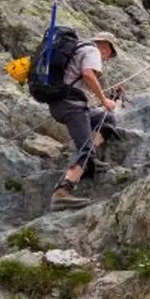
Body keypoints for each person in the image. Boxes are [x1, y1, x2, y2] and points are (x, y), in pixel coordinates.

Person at [49, 33, 120, 211]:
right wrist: (104, 100)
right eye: (109, 56)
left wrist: (101, 101)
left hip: (62, 104)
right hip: (71, 106)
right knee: (85, 148)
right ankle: (61, 192)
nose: (106, 60)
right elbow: (88, 75)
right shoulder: (93, 51)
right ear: (106, 48)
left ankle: (91, 159)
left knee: (106, 118)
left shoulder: (76, 50)